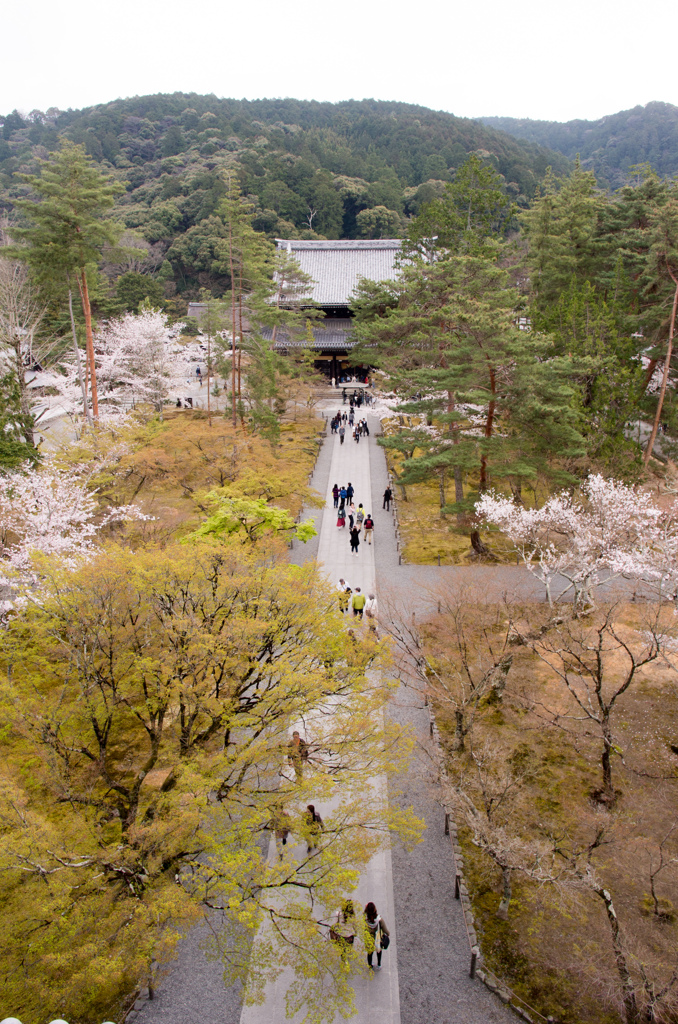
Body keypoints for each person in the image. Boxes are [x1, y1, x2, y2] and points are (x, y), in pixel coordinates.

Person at [364, 902, 390, 969]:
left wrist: (365, 909)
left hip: (369, 939)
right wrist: (387, 934)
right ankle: (379, 964)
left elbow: (364, 914)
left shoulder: (365, 919)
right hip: (378, 940)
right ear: (375, 910)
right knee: (379, 951)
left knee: (370, 952)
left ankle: (370, 965)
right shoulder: (379, 919)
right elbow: (386, 931)